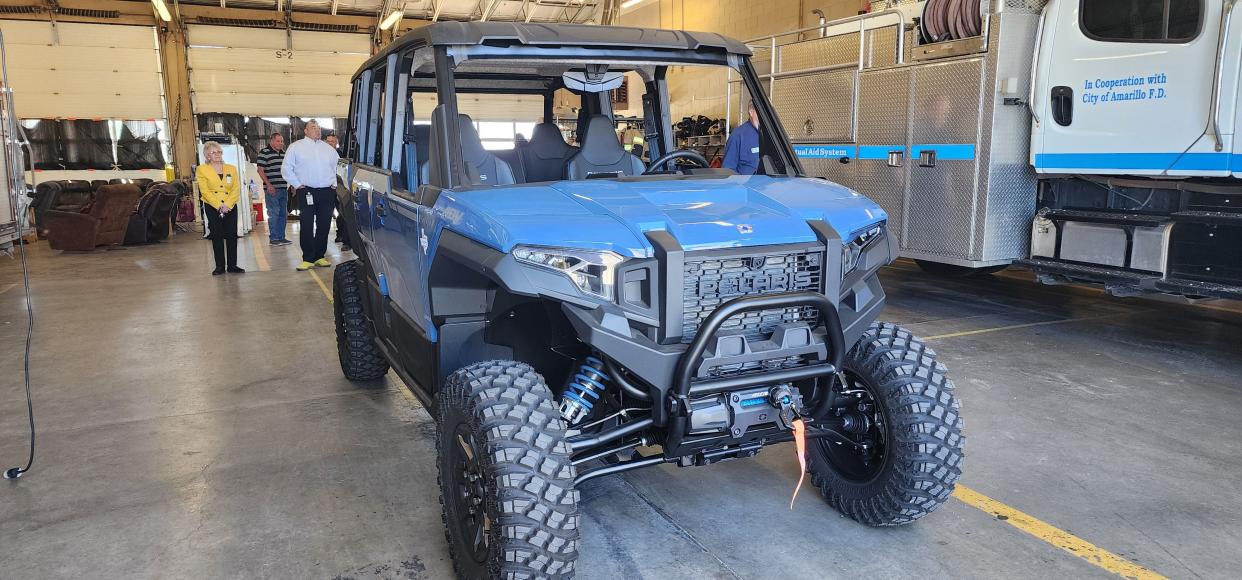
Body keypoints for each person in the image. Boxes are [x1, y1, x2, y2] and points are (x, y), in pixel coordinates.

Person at [281, 120, 340, 271]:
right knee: (306, 223)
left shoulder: (329, 149)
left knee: (324, 224)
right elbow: (286, 168)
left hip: (327, 191)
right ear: (305, 131)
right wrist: (297, 184)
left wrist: (334, 184)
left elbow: (338, 168)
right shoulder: (296, 147)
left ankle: (320, 256)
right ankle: (308, 257)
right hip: (306, 190)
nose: (317, 130)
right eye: (313, 128)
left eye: (319, 128)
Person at [196, 141, 245, 275]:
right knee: (217, 236)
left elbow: (236, 188)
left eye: (219, 152)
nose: (217, 154)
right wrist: (219, 205)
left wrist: (228, 205)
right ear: (207, 155)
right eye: (213, 152)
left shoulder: (231, 168)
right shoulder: (201, 169)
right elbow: (205, 191)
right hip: (213, 206)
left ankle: (232, 265)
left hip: (230, 206)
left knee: (231, 235)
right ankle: (219, 266)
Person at [256, 133, 293, 246]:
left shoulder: (284, 154)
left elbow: (288, 170)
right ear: (271, 141)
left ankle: (281, 237)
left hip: (283, 188)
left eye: (282, 141)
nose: (281, 143)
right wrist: (268, 185)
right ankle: (274, 238)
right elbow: (260, 170)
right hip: (272, 189)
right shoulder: (264, 152)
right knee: (273, 213)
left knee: (283, 213)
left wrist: (292, 185)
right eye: (278, 141)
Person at [324, 134, 352, 252]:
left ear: (337, 143)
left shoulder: (342, 157)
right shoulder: (320, 155)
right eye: (328, 141)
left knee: (343, 215)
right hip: (325, 189)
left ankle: (346, 241)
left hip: (339, 189)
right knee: (326, 215)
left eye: (332, 142)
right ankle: (336, 236)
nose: (330, 143)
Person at [722, 100, 761, 175]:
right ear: (751, 112)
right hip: (747, 185)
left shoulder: (770, 136)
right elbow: (727, 171)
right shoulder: (738, 135)